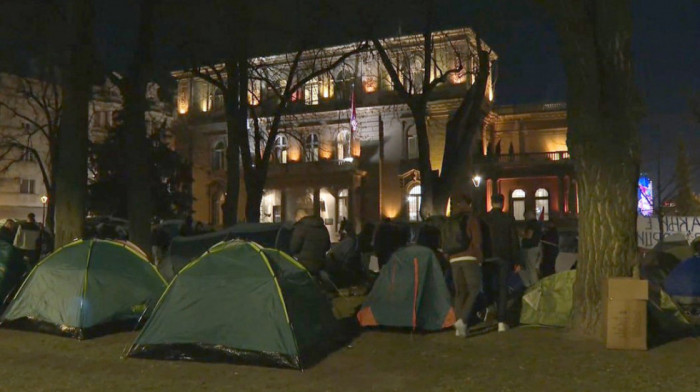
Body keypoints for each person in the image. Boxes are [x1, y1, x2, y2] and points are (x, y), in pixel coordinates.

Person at [483, 193, 521, 332]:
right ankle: (501, 320)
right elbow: (514, 240)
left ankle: (489, 308)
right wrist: (517, 261)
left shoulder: (485, 218)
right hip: (504, 257)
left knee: (488, 285)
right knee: (502, 287)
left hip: (488, 257)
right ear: (503, 203)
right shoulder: (508, 218)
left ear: (491, 203)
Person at [448, 194, 483, 338]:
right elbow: (477, 240)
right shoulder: (471, 218)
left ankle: (459, 328)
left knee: (460, 292)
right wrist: (479, 257)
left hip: (453, 258)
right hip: (468, 257)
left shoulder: (450, 220)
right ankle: (462, 320)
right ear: (469, 204)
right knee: (474, 289)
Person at [519, 209, 542, 287]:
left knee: (530, 269)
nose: (524, 218)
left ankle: (534, 286)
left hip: (530, 248)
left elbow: (529, 236)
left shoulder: (531, 224)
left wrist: (521, 233)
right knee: (531, 268)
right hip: (535, 247)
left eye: (525, 215)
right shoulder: (537, 224)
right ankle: (533, 285)